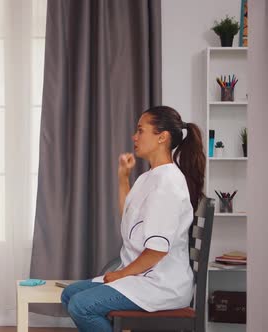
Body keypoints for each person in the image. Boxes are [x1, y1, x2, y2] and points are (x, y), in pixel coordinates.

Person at [61, 106, 205, 332]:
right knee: (70, 294)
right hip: (143, 277)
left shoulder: (168, 184)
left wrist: (121, 274)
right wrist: (123, 178)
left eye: (141, 130)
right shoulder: (150, 177)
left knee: (81, 305)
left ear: (162, 137)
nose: (134, 136)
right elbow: (130, 215)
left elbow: (157, 250)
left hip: (161, 285)